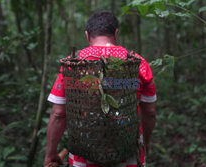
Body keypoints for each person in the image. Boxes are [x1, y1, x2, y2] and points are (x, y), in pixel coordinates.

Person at [44, 10, 157, 167]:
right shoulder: (138, 63)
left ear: (87, 35)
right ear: (116, 33)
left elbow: (58, 114)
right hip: (129, 155)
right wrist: (147, 142)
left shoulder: (73, 65)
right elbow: (150, 112)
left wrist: (50, 153)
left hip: (83, 157)